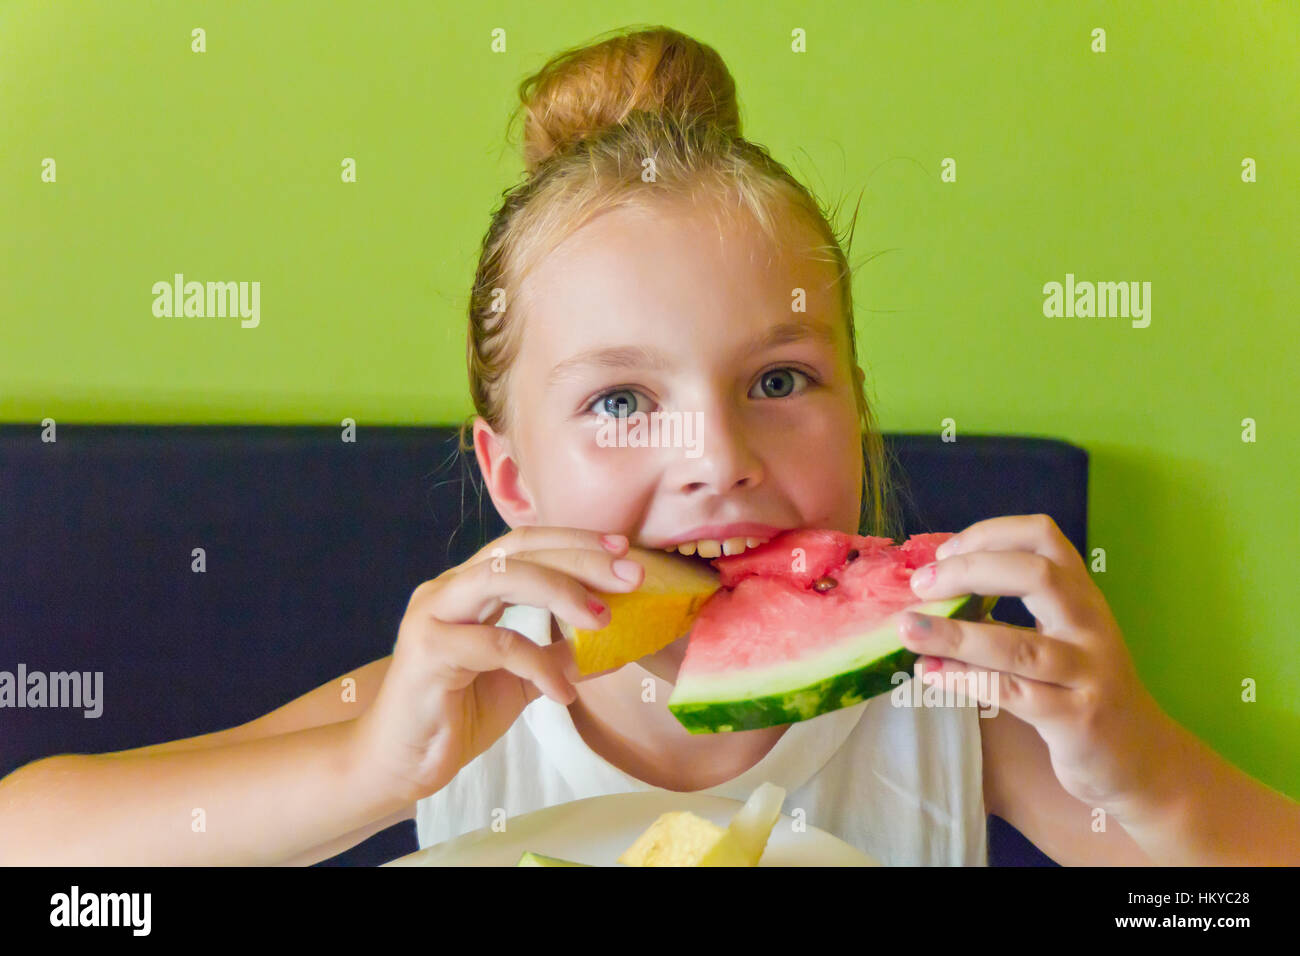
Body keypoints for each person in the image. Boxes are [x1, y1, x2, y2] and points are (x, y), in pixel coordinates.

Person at [2, 26, 1296, 866]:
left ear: (859, 415)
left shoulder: (950, 712)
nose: (715, 453)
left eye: (778, 379)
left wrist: (1151, 775)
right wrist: (361, 771)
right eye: (621, 401)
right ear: (513, 478)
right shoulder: (461, 707)